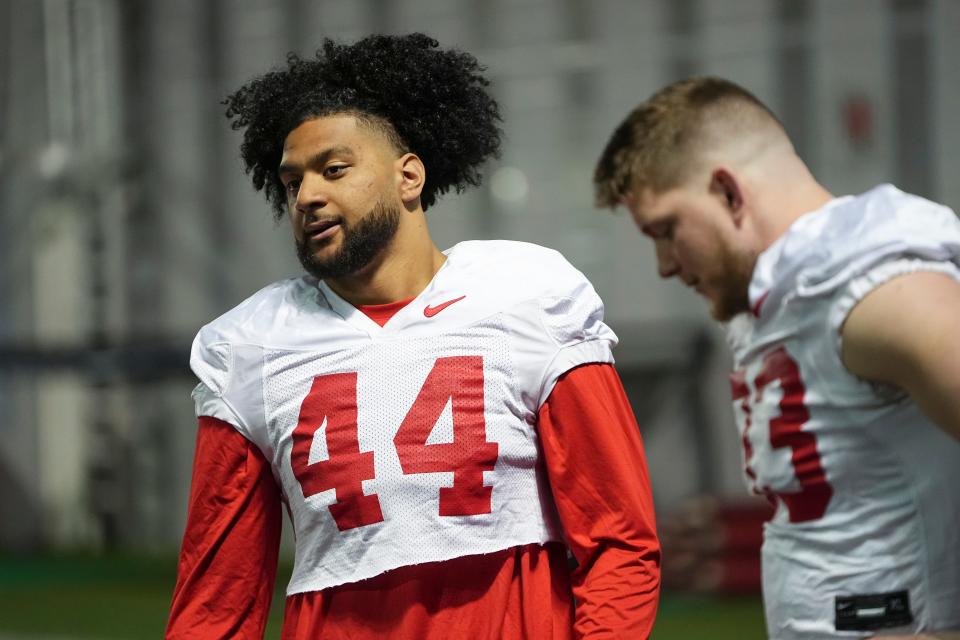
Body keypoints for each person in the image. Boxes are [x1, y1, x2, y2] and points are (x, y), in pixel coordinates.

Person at [166, 33, 660, 639]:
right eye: (293, 182)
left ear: (409, 177)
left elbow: (619, 540)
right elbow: (217, 600)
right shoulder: (250, 347)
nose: (308, 196)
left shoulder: (529, 298)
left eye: (334, 169)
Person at [593, 75, 960, 640]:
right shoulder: (782, 294)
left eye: (667, 230)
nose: (665, 264)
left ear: (728, 192)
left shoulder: (877, 289)